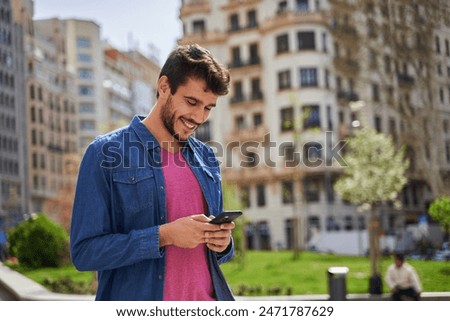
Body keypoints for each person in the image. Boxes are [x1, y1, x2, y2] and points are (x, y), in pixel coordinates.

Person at [70, 43, 236, 301]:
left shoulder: (207, 159)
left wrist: (222, 243)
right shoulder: (105, 153)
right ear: (164, 87)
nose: (199, 117)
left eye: (207, 107)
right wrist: (164, 235)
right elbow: (85, 252)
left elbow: (214, 255)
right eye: (191, 102)